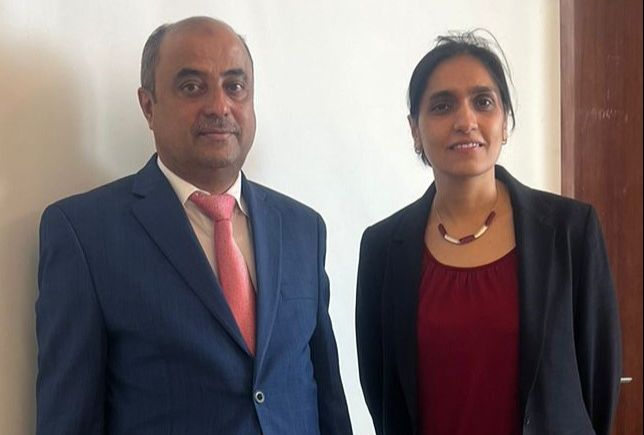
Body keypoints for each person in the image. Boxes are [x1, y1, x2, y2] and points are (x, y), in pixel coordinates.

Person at [36, 16, 352, 435]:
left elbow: (327, 398)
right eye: (191, 86)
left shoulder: (302, 229)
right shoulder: (84, 234)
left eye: (234, 86)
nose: (219, 106)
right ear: (148, 106)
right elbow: (69, 420)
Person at [356, 31, 621, 435]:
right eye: (442, 106)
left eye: (483, 102)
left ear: (505, 121)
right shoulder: (382, 249)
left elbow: (598, 385)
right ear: (415, 130)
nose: (466, 122)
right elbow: (384, 396)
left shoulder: (570, 232)